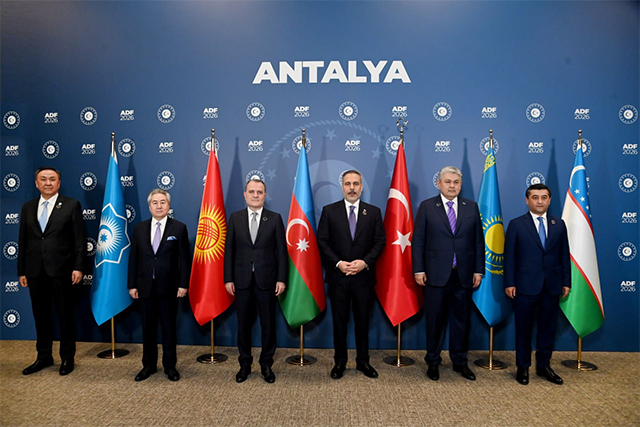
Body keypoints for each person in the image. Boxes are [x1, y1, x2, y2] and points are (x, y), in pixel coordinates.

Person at [412, 166, 484, 381]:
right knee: (435, 321)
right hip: (435, 275)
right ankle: (433, 361)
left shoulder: (471, 207)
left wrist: (478, 270)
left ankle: (460, 362)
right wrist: (419, 269)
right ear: (439, 184)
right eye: (448, 182)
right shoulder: (427, 206)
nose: (452, 186)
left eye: (456, 182)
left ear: (461, 185)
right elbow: (418, 241)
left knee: (461, 321)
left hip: (463, 275)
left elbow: (478, 241)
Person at [17, 166, 86, 376]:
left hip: (62, 270)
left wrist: (78, 267)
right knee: (40, 316)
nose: (48, 183)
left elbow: (79, 240)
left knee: (65, 316)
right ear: (36, 183)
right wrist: (22, 270)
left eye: (52, 179)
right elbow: (23, 240)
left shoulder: (71, 205)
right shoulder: (28, 207)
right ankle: (44, 356)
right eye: (43, 179)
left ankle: (67, 357)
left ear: (59, 183)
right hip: (35, 271)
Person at [317, 170, 385, 380]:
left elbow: (380, 242)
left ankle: (363, 361)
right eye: (348, 184)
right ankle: (340, 362)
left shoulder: (373, 212)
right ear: (342, 186)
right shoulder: (330, 211)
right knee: (340, 323)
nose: (352, 188)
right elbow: (322, 241)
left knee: (362, 322)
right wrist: (338, 263)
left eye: (356, 184)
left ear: (361, 187)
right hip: (339, 278)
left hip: (363, 278)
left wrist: (364, 262)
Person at [504, 183, 570, 385]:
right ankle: (523, 367)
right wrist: (509, 282)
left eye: (544, 197)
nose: (539, 201)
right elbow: (509, 257)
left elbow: (564, 255)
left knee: (548, 329)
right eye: (535, 197)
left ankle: (544, 366)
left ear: (549, 200)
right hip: (524, 286)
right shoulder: (516, 224)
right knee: (523, 329)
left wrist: (566, 281)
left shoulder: (559, 224)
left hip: (551, 286)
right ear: (527, 200)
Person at [224, 179, 287, 384]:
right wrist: (228, 278)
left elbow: (281, 252)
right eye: (251, 191)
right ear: (245, 194)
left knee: (268, 325)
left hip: (267, 281)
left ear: (265, 195)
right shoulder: (235, 218)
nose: (255, 195)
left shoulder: (275, 218)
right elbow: (229, 251)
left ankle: (266, 364)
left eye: (259, 192)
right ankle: (244, 365)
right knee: (243, 325)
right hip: (241, 281)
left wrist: (281, 278)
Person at [128, 189, 191, 382]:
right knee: (148, 329)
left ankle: (170, 366)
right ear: (149, 206)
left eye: (163, 202)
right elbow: (133, 259)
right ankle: (148, 365)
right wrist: (132, 285)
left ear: (168, 205)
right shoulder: (139, 228)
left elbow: (184, 260)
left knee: (168, 328)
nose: (159, 206)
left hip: (169, 288)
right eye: (155, 203)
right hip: (145, 287)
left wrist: (183, 284)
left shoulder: (179, 228)